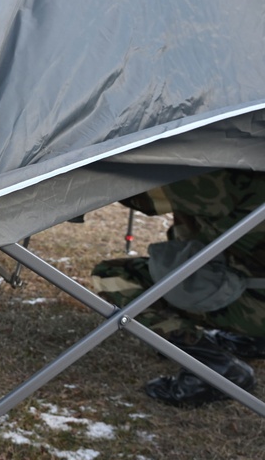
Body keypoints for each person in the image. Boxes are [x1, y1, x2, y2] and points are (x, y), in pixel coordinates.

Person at [91, 169, 265, 406]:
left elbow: (139, 193)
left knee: (115, 277)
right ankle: (255, 341)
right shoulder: (253, 161)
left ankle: (213, 368)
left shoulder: (230, 174)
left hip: (253, 303)